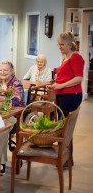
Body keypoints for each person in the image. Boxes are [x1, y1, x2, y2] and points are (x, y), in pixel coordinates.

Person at [47, 32, 84, 167]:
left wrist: (61, 85)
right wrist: (55, 85)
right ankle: (66, 158)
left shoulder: (76, 57)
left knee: (65, 128)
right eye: (59, 44)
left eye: (62, 44)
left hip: (70, 96)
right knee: (63, 126)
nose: (60, 47)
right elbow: (66, 76)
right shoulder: (66, 57)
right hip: (63, 94)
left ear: (70, 44)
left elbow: (79, 78)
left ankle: (66, 159)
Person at [0, 60, 25, 175]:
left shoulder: (16, 82)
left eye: (5, 70)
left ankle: (1, 163)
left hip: (14, 115)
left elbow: (16, 99)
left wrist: (1, 98)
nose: (2, 72)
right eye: (0, 70)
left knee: (1, 129)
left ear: (12, 71)